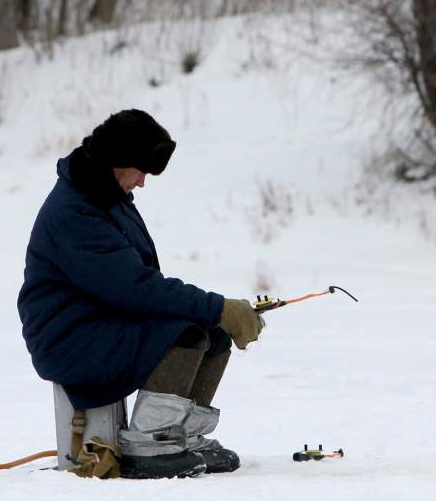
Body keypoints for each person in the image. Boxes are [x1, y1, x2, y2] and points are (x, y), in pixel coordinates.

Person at [17, 109, 264, 479]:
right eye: (142, 171)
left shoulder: (104, 197)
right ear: (117, 160)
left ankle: (181, 435)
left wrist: (216, 315)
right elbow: (134, 287)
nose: (143, 183)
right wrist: (218, 306)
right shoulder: (75, 212)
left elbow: (138, 285)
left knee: (211, 334)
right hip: (69, 338)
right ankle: (148, 443)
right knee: (183, 333)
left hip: (102, 323)